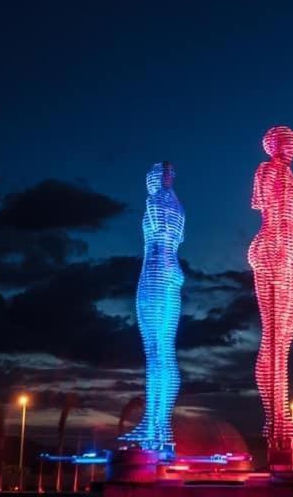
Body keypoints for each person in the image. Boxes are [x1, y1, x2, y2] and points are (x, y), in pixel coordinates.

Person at [248, 126, 293, 448]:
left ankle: (281, 418)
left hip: (289, 256)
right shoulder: (267, 169)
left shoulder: (286, 172)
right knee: (274, 338)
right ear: (273, 143)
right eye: (285, 140)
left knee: (284, 341)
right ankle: (275, 421)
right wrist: (275, 255)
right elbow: (270, 214)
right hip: (275, 252)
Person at [120, 161, 184, 453]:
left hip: (156, 271)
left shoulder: (156, 199)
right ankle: (160, 423)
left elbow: (158, 233)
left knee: (155, 353)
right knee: (165, 351)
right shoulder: (178, 205)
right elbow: (175, 238)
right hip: (173, 270)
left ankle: (153, 423)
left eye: (152, 176)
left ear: (156, 178)